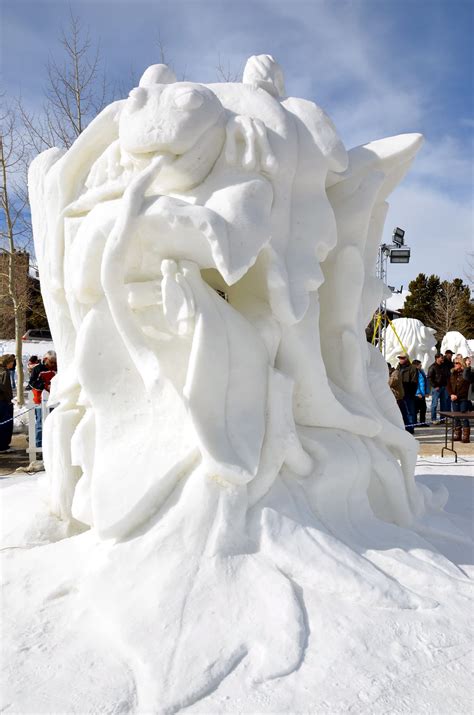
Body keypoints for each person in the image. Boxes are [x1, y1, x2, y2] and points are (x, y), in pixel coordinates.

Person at [28, 350, 57, 449]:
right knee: (40, 423)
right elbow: (31, 383)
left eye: (55, 362)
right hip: (40, 400)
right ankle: (39, 444)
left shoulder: (57, 368)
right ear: (45, 359)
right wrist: (44, 385)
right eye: (51, 362)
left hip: (54, 401)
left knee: (54, 422)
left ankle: (51, 445)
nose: (53, 364)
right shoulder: (38, 368)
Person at [447, 358, 471, 443]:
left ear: (461, 364)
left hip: (463, 398)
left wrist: (457, 396)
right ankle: (457, 435)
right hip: (454, 398)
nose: (455, 364)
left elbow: (466, 387)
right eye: (454, 363)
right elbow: (448, 385)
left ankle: (466, 436)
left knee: (464, 416)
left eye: (457, 363)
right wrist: (451, 394)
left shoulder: (466, 373)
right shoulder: (452, 373)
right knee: (456, 417)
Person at [396, 354, 418, 434]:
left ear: (407, 358)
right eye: (400, 358)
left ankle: (410, 428)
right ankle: (403, 427)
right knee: (401, 412)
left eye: (402, 358)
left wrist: (412, 394)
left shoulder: (412, 368)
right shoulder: (398, 367)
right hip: (399, 394)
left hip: (408, 394)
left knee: (409, 412)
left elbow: (414, 382)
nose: (401, 360)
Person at [428, 353, 451, 423]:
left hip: (444, 387)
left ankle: (443, 419)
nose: (442, 359)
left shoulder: (444, 366)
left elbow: (447, 375)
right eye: (441, 358)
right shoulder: (432, 367)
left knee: (444, 404)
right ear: (437, 358)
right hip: (436, 388)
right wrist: (435, 386)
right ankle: (433, 419)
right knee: (434, 404)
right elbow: (429, 378)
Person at [0, 354, 15, 452]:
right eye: (12, 362)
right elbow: (5, 388)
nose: (13, 364)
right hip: (3, 401)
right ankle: (3, 445)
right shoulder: (5, 373)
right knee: (5, 424)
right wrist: (9, 400)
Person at [412, 359, 427, 426]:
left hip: (422, 393)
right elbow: (414, 384)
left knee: (423, 408)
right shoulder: (413, 372)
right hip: (417, 394)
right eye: (419, 365)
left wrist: (426, 392)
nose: (421, 366)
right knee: (415, 409)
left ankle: (422, 422)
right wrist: (418, 393)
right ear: (415, 365)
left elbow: (424, 382)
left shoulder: (421, 371)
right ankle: (414, 422)